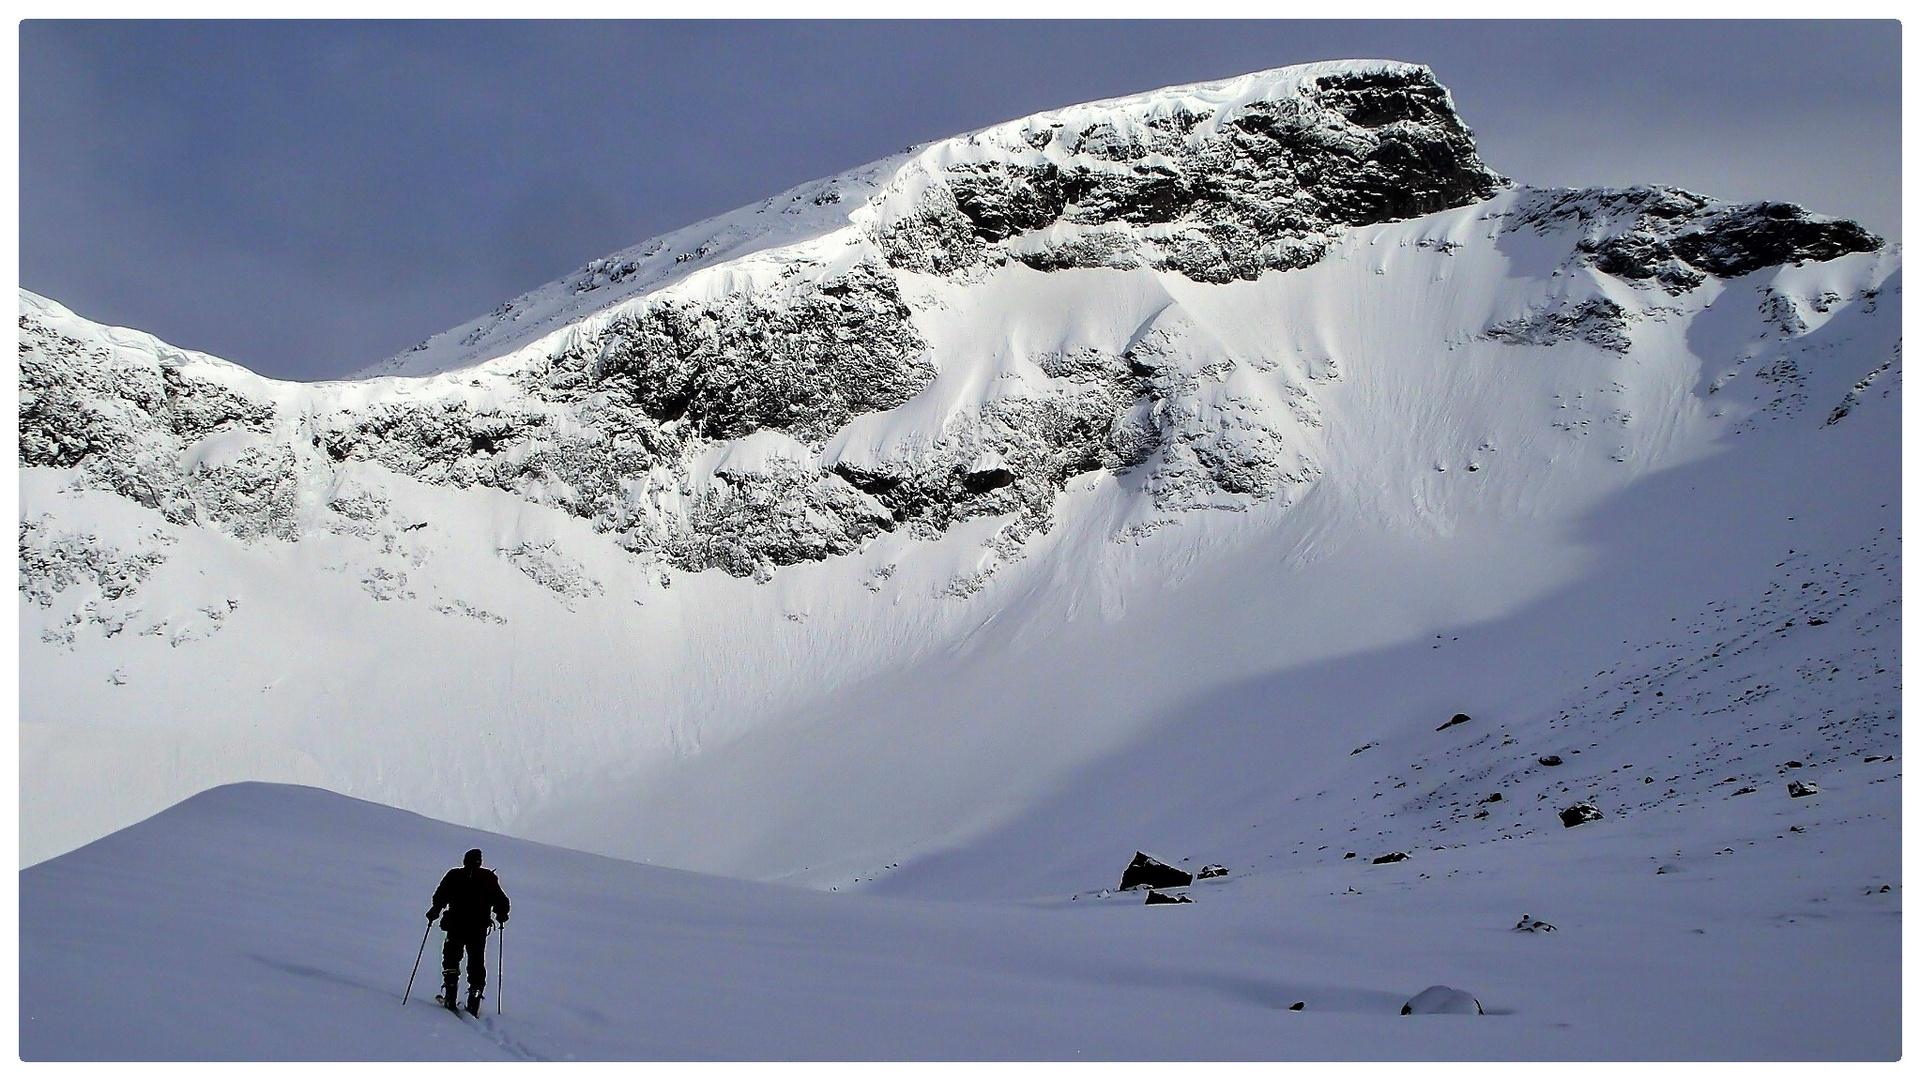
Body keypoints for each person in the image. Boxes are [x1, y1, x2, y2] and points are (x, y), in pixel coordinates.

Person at [426, 848, 510, 1015]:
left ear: (465, 860)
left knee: (451, 957)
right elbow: (502, 901)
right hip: (478, 928)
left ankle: (450, 993)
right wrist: (502, 915)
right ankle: (475, 997)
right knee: (476, 961)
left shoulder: (454, 875)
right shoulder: (488, 878)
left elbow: (440, 895)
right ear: (480, 861)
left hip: (455, 924)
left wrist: (435, 910)